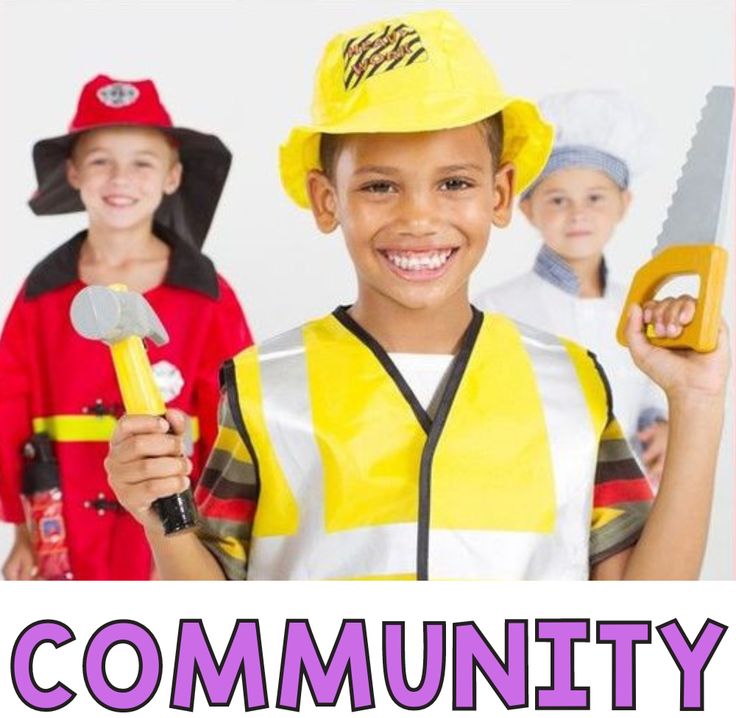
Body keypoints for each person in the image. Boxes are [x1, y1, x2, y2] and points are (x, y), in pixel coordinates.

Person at [105, 10, 728, 581]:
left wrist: (697, 404)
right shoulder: (261, 385)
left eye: (454, 182)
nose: (420, 217)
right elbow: (214, 629)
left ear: (502, 194)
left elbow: (643, 616)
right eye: (380, 187)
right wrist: (164, 523)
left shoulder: (572, 384)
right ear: (328, 200)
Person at [0, 74, 252, 580]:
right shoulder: (41, 296)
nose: (121, 179)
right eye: (100, 161)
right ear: (73, 173)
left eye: (142, 162)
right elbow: (9, 411)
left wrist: (206, 547)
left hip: (174, 532)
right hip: (63, 524)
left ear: (172, 176)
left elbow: (237, 427)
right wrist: (23, 531)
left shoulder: (208, 297)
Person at [477, 90, 668, 483]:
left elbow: (652, 388)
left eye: (595, 198)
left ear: (624, 203)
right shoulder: (494, 310)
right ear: (527, 209)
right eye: (558, 200)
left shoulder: (639, 303)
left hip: (633, 500)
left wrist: (661, 425)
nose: (578, 213)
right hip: (535, 494)